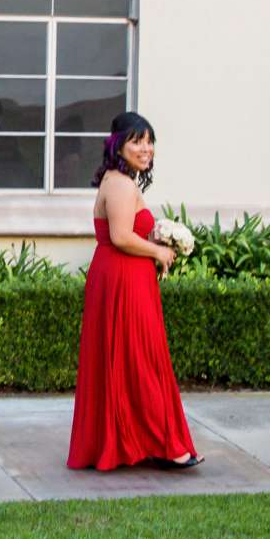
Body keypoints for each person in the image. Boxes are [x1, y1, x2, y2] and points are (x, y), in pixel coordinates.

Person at [68, 113, 200, 471]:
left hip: (125, 278)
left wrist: (158, 239)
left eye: (149, 141)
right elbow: (121, 237)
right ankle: (164, 445)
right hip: (122, 280)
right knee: (140, 360)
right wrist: (157, 250)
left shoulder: (122, 181)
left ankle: (138, 441)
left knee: (131, 360)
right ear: (118, 147)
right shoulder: (121, 184)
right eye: (136, 142)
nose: (145, 149)